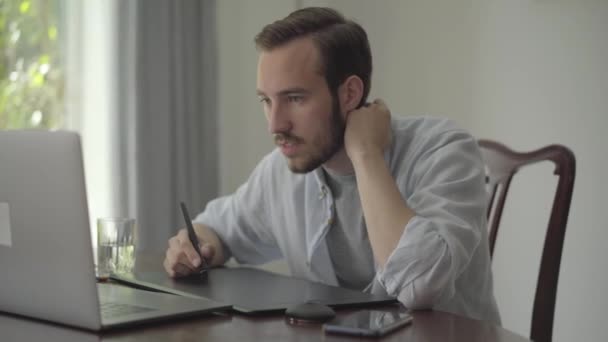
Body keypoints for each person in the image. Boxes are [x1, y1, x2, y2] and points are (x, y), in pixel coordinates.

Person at [164, 7, 500, 324]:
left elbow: (419, 285)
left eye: (295, 99)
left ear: (350, 93)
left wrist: (365, 153)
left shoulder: (443, 150)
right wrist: (195, 247)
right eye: (267, 101)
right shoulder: (282, 171)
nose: (275, 125)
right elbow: (220, 230)